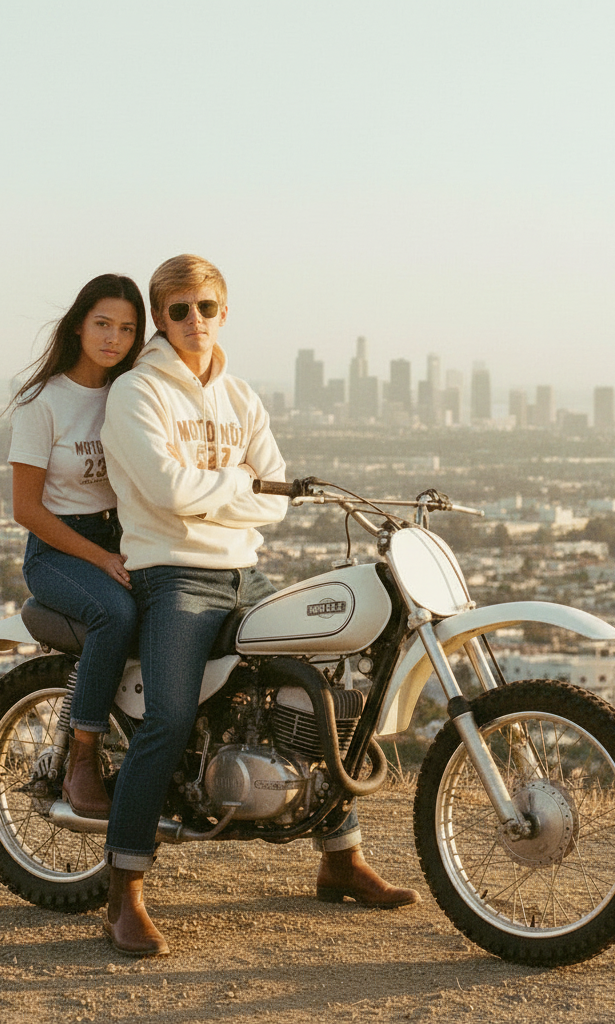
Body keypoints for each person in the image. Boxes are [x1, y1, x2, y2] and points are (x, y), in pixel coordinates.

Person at [100, 254, 418, 957]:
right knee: (171, 717)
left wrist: (223, 488)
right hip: (173, 576)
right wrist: (234, 483)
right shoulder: (137, 394)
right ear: (160, 317)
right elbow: (167, 493)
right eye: (178, 309)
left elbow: (273, 494)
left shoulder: (241, 396)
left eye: (205, 307)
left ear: (223, 311)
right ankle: (123, 888)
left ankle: (339, 857)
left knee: (329, 689)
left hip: (245, 573)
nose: (193, 321)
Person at [7, 273, 145, 818]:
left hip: (124, 536)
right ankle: (81, 761)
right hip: (59, 548)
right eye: (103, 324)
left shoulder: (130, 394)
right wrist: (101, 558)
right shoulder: (43, 403)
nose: (113, 338)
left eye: (127, 329)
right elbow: (26, 509)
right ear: (80, 325)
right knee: (113, 614)